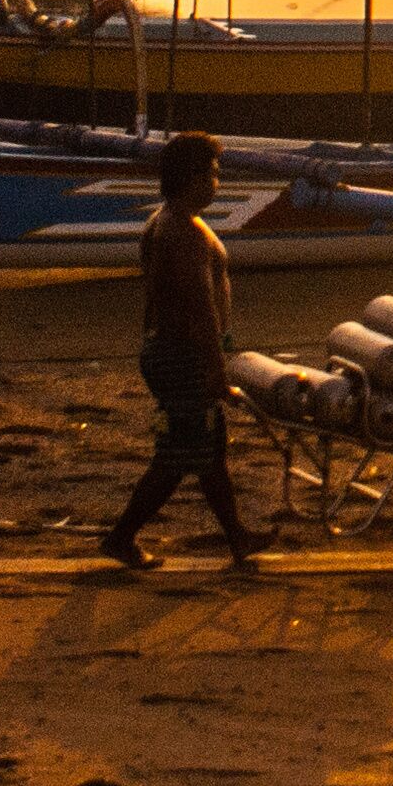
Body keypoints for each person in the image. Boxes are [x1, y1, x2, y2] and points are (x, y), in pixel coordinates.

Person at [98, 130, 266, 571]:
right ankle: (121, 538)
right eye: (212, 174)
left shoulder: (168, 220)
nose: (216, 182)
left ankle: (238, 538)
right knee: (178, 457)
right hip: (182, 354)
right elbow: (201, 307)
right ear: (191, 177)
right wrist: (214, 368)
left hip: (170, 350)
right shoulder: (182, 231)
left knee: (205, 449)